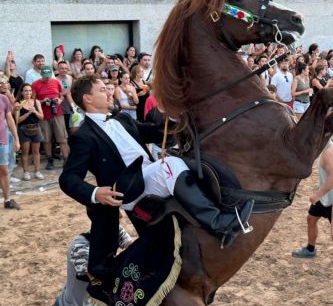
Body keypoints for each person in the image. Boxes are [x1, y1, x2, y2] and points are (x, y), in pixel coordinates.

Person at [59, 76, 254, 279]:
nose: (110, 92)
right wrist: (95, 192)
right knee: (170, 165)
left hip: (149, 175)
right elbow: (68, 178)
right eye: (102, 89)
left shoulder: (122, 119)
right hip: (129, 189)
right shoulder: (83, 136)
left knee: (183, 161)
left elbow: (156, 133)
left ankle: (223, 205)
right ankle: (219, 222)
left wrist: (173, 116)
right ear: (87, 99)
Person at [50, 224, 133, 306]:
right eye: (114, 212)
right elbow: (98, 280)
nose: (121, 215)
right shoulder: (79, 247)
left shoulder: (114, 230)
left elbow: (134, 246)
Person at [292, 140, 333, 258]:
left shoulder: (329, 151)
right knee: (311, 219)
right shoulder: (323, 147)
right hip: (325, 196)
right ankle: (310, 249)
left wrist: (318, 195)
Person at [31, 65, 69, 170]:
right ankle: (49, 159)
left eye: (48, 76)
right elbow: (32, 101)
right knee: (46, 139)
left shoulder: (56, 82)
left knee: (62, 137)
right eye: (45, 76)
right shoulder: (35, 85)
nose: (47, 78)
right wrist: (43, 102)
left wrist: (59, 100)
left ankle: (66, 159)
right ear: (41, 74)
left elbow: (61, 94)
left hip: (57, 113)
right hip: (43, 115)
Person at [16, 84, 45, 181]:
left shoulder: (36, 102)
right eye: (25, 91)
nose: (28, 93)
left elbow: (41, 117)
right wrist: (28, 113)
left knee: (36, 151)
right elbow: (17, 120)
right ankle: (26, 172)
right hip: (24, 129)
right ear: (22, 92)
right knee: (25, 152)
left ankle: (37, 171)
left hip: (36, 128)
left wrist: (35, 112)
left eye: (29, 90)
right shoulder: (19, 103)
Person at [0, 87, 20, 209]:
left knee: (4, 170)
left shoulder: (3, 99)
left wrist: (16, 138)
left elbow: (10, 119)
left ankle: (7, 200)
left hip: (2, 140)